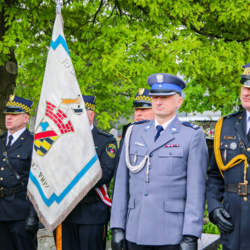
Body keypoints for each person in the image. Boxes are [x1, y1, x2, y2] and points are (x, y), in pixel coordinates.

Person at [111, 73, 208, 250]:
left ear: (179, 101)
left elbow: (196, 190)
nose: (158, 102)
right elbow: (121, 185)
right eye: (155, 97)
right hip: (135, 230)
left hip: (170, 233)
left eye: (165, 97)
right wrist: (117, 226)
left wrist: (191, 235)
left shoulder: (192, 135)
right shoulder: (133, 133)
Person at [54, 95, 118, 250]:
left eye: (81, 111)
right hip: (67, 213)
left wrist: (73, 181)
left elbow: (105, 173)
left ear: (91, 114)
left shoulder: (106, 141)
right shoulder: (63, 140)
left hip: (92, 212)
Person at [206, 63, 250, 250]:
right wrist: (215, 206)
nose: (246, 92)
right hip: (234, 221)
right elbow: (215, 174)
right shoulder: (226, 125)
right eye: (245, 86)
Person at [0, 95, 39, 250]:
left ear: (25, 118)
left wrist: (33, 214)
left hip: (21, 212)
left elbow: (38, 182)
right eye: (7, 114)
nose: (8, 117)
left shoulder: (34, 144)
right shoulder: (1, 141)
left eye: (14, 114)